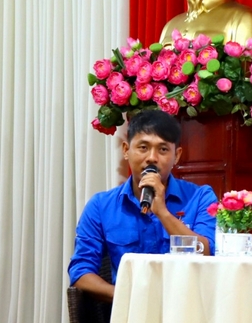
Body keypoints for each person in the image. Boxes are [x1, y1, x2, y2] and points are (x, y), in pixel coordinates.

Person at [68, 109, 218, 301]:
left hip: (188, 307)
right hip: (129, 309)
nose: (152, 158)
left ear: (177, 156)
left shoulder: (200, 197)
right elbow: (80, 270)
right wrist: (125, 297)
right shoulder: (101, 206)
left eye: (163, 149)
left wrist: (163, 213)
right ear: (126, 150)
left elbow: (207, 254)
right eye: (143, 147)